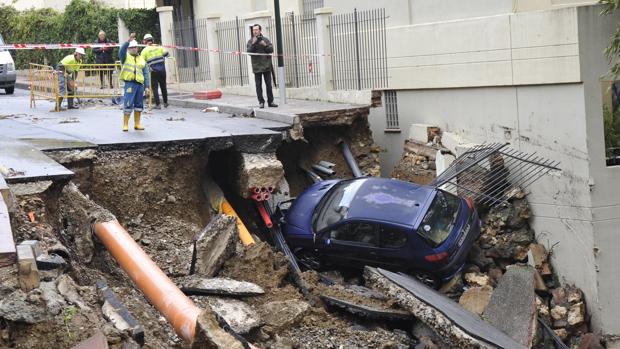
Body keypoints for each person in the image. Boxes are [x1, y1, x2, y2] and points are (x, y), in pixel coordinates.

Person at [119, 33, 149, 131]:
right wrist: (128, 41)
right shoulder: (125, 57)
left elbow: (145, 73)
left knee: (139, 104)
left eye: (135, 47)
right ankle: (125, 124)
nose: (133, 49)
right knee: (128, 103)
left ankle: (137, 124)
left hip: (139, 85)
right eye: (131, 48)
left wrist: (147, 86)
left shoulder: (142, 59)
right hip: (130, 84)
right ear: (128, 49)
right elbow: (121, 51)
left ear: (137, 48)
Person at [246, 24, 277, 108]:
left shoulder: (265, 39)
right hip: (257, 67)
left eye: (256, 30)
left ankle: (271, 102)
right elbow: (249, 52)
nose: (255, 31)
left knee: (269, 85)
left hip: (266, 66)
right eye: (253, 30)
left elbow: (271, 50)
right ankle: (261, 102)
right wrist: (253, 44)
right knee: (258, 85)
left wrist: (265, 45)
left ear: (260, 30)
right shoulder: (250, 41)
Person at [140, 33, 169, 109]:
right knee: (163, 86)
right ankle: (165, 103)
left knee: (155, 88)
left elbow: (141, 62)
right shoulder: (159, 47)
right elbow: (167, 54)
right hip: (162, 70)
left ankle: (158, 104)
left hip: (153, 71)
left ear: (145, 42)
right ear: (152, 40)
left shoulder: (144, 50)